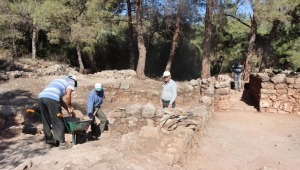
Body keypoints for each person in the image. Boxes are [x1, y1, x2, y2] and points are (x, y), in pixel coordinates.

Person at [38, 75, 77, 150]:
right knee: (57, 120)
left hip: (41, 97)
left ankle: (49, 143)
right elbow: (68, 97)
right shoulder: (71, 81)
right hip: (52, 98)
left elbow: (60, 100)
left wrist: (68, 109)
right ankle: (62, 144)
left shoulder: (57, 80)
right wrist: (69, 107)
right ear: (75, 81)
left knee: (46, 121)